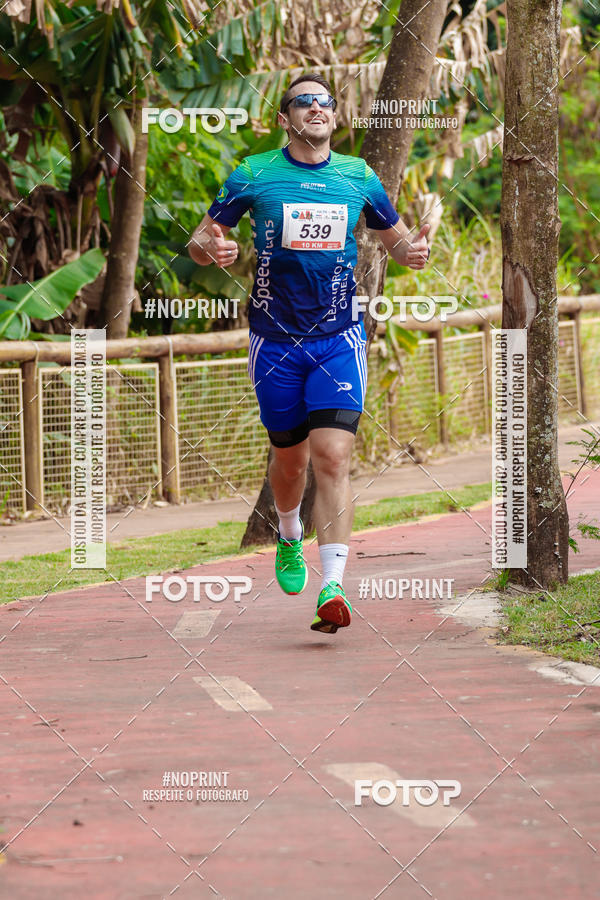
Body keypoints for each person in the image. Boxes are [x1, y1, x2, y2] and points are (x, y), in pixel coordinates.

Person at [189, 73, 430, 633]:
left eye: (325, 101)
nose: (318, 109)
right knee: (290, 460)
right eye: (305, 101)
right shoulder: (254, 174)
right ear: (285, 118)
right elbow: (201, 241)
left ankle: (333, 587)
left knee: (334, 458)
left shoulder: (358, 176)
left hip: (339, 339)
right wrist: (212, 248)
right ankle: (290, 534)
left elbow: (393, 239)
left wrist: (412, 251)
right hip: (274, 340)